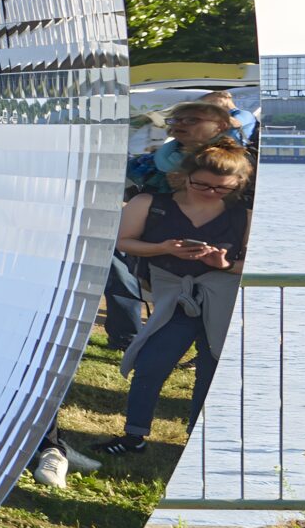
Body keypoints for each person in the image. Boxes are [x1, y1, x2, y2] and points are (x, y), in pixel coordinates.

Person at [96, 141, 253, 458]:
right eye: (202, 184)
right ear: (186, 175)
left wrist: (224, 265)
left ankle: (199, 443)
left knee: (211, 372)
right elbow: (124, 242)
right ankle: (134, 436)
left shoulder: (244, 216)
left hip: (223, 300)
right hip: (174, 298)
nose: (210, 193)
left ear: (238, 184)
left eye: (221, 189)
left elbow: (254, 265)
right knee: (151, 363)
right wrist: (164, 248)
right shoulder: (150, 202)